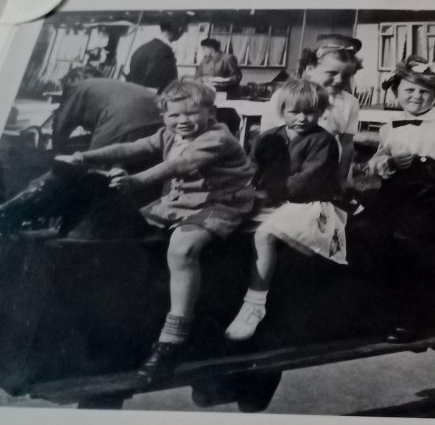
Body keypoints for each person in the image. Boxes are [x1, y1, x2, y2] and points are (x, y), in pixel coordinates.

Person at [55, 78, 255, 378]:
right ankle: (131, 312)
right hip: (180, 201)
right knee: (125, 229)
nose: (182, 121)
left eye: (191, 113)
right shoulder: (168, 135)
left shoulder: (218, 138)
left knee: (182, 247)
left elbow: (179, 166)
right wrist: (84, 156)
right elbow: (130, 148)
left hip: (219, 203)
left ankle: (173, 339)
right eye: (174, 115)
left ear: (210, 112)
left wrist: (135, 181)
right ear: (164, 116)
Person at [367, 56, 435, 342]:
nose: (416, 96)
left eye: (424, 91)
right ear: (396, 93)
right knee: (372, 233)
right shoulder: (390, 124)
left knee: (409, 237)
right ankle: (379, 310)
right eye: (409, 90)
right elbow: (378, 159)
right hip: (398, 191)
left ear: (434, 94)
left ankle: (414, 316)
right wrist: (386, 161)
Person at [224, 78, 344, 341]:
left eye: (310, 112)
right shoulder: (268, 138)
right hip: (271, 201)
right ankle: (226, 295)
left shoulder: (323, 142)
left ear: (321, 112)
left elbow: (307, 180)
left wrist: (267, 193)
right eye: (294, 111)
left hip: (308, 205)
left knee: (264, 234)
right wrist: (244, 189)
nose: (302, 118)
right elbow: (252, 169)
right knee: (222, 221)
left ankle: (254, 305)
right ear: (282, 110)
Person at [260, 34, 362, 193]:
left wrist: (342, 177)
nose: (339, 80)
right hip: (291, 164)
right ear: (310, 69)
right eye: (331, 73)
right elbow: (268, 136)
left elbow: (347, 143)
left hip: (330, 168)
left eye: (347, 75)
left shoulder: (349, 102)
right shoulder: (285, 96)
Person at [52, 67, 162, 152]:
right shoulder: (114, 85)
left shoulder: (78, 87)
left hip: (123, 122)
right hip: (161, 120)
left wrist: (56, 153)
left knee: (95, 164)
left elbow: (61, 124)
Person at [126, 19, 187, 93]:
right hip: (152, 99)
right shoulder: (163, 51)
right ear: (179, 30)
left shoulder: (142, 48)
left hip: (135, 94)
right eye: (183, 30)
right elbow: (153, 85)